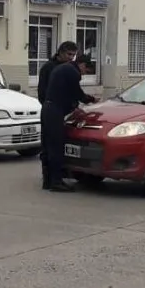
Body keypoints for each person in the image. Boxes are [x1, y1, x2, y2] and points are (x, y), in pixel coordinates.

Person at [42, 54, 97, 192]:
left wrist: (73, 105)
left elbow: (65, 92)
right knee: (57, 146)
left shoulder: (63, 68)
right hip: (55, 111)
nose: (84, 74)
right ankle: (56, 181)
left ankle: (47, 180)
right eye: (86, 70)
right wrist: (92, 100)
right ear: (82, 64)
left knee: (48, 146)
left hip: (47, 108)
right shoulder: (72, 72)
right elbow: (77, 94)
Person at [38, 41, 78, 189]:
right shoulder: (49, 68)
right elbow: (42, 92)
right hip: (51, 111)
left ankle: (53, 179)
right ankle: (51, 180)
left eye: (73, 55)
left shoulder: (68, 69)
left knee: (55, 146)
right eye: (69, 54)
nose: (71, 58)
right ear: (60, 52)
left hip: (60, 111)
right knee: (50, 146)